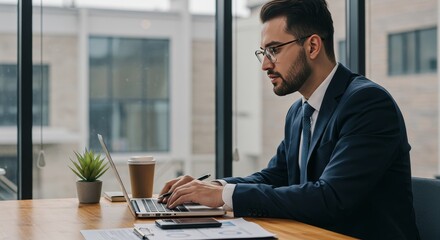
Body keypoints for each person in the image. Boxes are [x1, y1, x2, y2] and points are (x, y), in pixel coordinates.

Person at [159, 0, 420, 239]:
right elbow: (276, 176)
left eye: (274, 50)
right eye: (263, 53)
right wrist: (213, 187)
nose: (265, 65)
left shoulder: (368, 104)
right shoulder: (299, 112)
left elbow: (331, 197)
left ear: (313, 46)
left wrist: (223, 196)